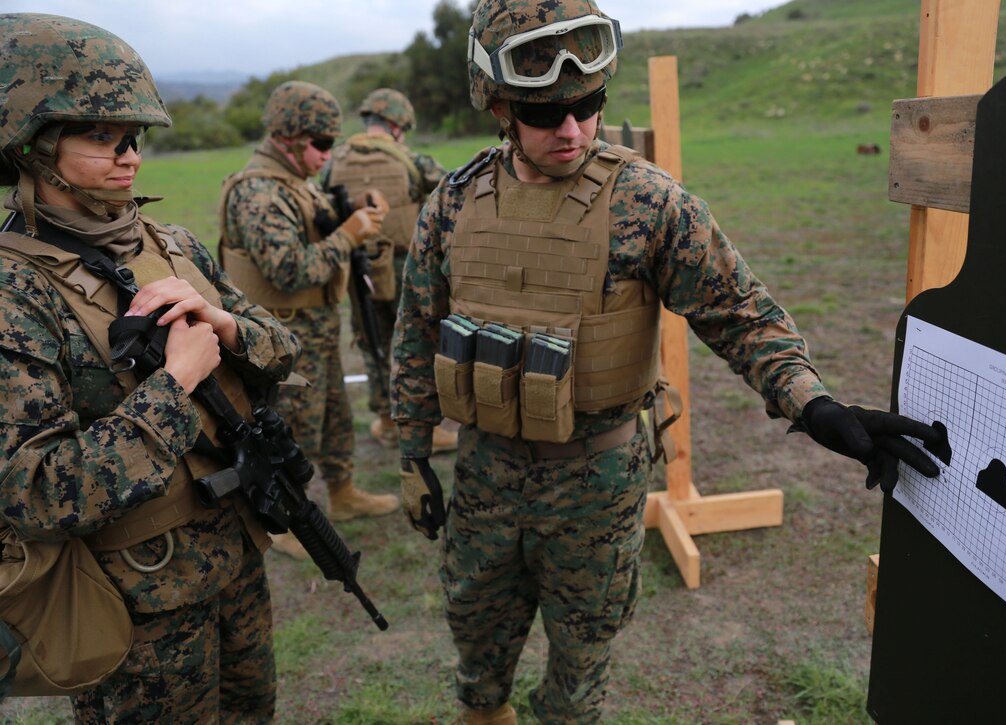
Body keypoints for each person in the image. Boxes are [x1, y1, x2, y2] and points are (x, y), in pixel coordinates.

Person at [390, 0, 947, 723]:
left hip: (596, 479)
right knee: (477, 655)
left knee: (579, 672)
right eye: (544, 112)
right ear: (497, 104)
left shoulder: (647, 203)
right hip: (485, 473)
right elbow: (416, 331)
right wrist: (410, 453)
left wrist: (815, 404)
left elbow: (741, 314)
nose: (572, 130)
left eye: (587, 106)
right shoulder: (455, 203)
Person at [0, 13, 301, 721]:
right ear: (34, 147)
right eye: (100, 136)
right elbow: (34, 491)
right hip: (136, 604)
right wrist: (173, 386)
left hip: (236, 554)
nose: (128, 155)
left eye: (133, 137)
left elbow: (283, 350)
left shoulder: (170, 244)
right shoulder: (15, 293)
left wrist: (228, 327)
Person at [219, 81, 399, 560]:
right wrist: (349, 236)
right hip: (280, 340)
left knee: (336, 417)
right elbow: (289, 269)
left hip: (316, 332)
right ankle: (280, 524)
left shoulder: (295, 184)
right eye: (320, 144)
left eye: (331, 143)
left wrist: (353, 216)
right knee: (288, 430)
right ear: (287, 138)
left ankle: (343, 494)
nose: (327, 154)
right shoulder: (259, 192)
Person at [320, 88, 456, 453]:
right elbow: (449, 191)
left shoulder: (335, 162)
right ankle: (421, 423)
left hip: (356, 264)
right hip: (403, 265)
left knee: (371, 342)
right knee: (415, 342)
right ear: (397, 125)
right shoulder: (412, 159)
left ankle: (384, 418)